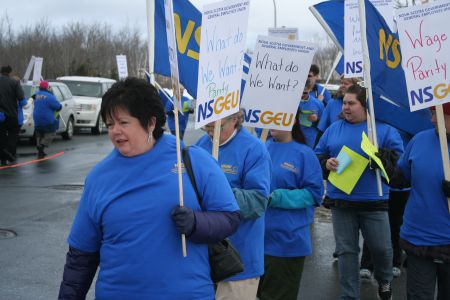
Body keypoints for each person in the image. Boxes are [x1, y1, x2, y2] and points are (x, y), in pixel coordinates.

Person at [58, 78, 241, 300]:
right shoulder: (99, 177)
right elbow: (81, 256)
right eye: (110, 124)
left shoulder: (193, 161)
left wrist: (197, 223)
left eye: (123, 123)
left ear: (151, 123)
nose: (115, 131)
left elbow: (230, 218)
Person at [315, 84, 404, 300]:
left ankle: (384, 281)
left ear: (364, 105)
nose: (345, 107)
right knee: (347, 252)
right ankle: (349, 296)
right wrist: (326, 163)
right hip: (341, 201)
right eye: (344, 102)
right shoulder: (333, 129)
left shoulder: (383, 130)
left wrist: (382, 159)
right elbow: (316, 157)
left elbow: (399, 170)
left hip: (374, 201)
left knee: (381, 250)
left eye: (351, 103)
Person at [196, 110, 272, 300]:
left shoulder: (254, 149)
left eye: (216, 127)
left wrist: (217, 192)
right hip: (203, 257)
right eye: (207, 126)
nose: (210, 133)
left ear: (235, 120)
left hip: (238, 259)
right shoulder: (200, 145)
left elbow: (257, 202)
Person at [257, 112, 324, 300]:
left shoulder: (304, 154)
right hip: (257, 240)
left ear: (292, 120)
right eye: (269, 117)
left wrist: (278, 197)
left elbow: (314, 194)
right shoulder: (260, 147)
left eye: (278, 116)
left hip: (287, 242)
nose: (271, 121)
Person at [397, 104, 450, 300]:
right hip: (419, 239)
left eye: (440, 115)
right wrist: (386, 167)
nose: (433, 120)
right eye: (432, 114)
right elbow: (402, 176)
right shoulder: (420, 139)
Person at [0, 65, 25, 165]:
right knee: (13, 135)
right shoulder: (14, 82)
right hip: (11, 114)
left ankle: (3, 157)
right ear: (10, 72)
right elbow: (22, 100)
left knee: (1, 136)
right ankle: (9, 153)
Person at [33, 81, 62, 158]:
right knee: (51, 132)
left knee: (39, 133)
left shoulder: (35, 95)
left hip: (36, 118)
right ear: (47, 87)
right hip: (47, 118)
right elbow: (58, 107)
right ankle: (42, 145)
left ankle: (40, 151)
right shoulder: (50, 96)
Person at [298, 80, 324, 148]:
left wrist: (316, 120)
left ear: (310, 89)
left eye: (305, 93)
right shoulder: (289, 102)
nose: (301, 95)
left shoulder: (318, 104)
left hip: (310, 141)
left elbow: (323, 124)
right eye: (299, 92)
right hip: (294, 139)